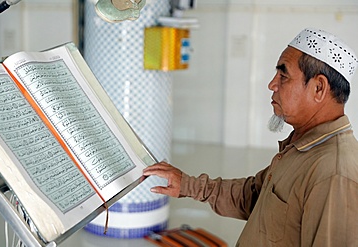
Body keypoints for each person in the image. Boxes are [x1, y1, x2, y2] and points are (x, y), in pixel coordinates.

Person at [142, 27, 358, 246]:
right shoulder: (304, 146)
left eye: (283, 76)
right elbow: (254, 196)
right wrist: (187, 185)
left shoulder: (334, 173)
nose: (272, 85)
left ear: (318, 88)